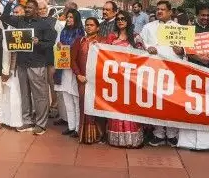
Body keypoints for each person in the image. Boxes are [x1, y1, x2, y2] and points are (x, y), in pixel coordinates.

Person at [2, 0, 56, 135]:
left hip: (37, 64)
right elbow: (4, 17)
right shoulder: (20, 21)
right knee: (25, 94)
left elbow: (50, 42)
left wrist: (39, 43)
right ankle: (27, 121)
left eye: (30, 8)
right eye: (26, 8)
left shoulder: (44, 24)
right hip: (22, 64)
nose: (27, 10)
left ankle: (41, 123)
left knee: (40, 95)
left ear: (37, 10)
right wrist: (9, 2)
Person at [140, 0, 184, 147]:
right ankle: (158, 133)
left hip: (173, 70)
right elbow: (140, 41)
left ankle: (172, 134)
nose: (159, 11)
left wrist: (181, 51)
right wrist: (147, 48)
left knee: (172, 101)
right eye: (158, 9)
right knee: (156, 101)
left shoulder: (179, 28)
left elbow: (186, 50)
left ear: (170, 12)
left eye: (163, 9)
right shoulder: (148, 27)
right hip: (154, 69)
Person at [178, 3, 209, 151]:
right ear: (197, 15)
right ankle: (190, 142)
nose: (205, 18)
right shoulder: (189, 30)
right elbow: (186, 50)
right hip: (195, 70)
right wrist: (200, 58)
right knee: (193, 104)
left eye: (208, 15)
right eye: (203, 15)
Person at [105, 11, 144, 148]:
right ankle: (116, 139)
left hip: (131, 79)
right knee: (115, 108)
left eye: (123, 19)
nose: (120, 21)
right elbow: (104, 55)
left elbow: (142, 58)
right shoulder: (111, 37)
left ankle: (131, 139)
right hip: (115, 80)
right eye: (118, 19)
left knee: (130, 108)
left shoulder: (135, 37)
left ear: (128, 20)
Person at [71, 16, 104, 144]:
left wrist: (100, 46)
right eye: (87, 25)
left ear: (98, 28)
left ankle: (100, 134)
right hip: (83, 80)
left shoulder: (102, 41)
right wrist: (78, 74)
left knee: (98, 106)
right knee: (84, 105)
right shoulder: (80, 41)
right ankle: (85, 135)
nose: (88, 27)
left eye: (91, 25)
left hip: (98, 80)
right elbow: (72, 60)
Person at [54, 9, 85, 138]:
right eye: (67, 17)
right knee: (67, 98)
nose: (68, 19)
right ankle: (71, 126)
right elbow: (58, 46)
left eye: (71, 17)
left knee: (75, 99)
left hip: (75, 69)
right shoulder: (64, 31)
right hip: (63, 68)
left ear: (76, 18)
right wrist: (59, 45)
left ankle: (78, 128)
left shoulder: (80, 33)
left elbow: (79, 51)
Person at [0, 3, 24, 129]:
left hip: (20, 67)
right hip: (8, 65)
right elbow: (6, 50)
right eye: (14, 12)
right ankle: (6, 119)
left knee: (18, 93)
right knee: (7, 93)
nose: (15, 14)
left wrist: (12, 68)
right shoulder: (8, 28)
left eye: (18, 12)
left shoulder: (25, 28)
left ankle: (18, 120)